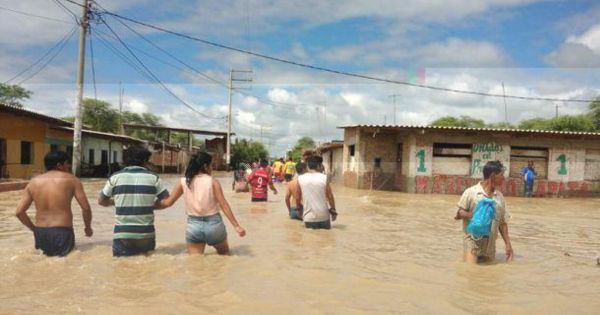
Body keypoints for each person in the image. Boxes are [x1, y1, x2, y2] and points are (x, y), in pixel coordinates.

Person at [156, 152, 246, 255]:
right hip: (214, 226)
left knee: (195, 264)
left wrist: (149, 206)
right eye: (211, 165)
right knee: (225, 256)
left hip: (194, 226)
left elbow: (168, 203)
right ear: (205, 166)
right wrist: (236, 226)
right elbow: (223, 204)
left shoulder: (183, 182)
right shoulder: (213, 182)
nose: (212, 168)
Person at [15, 151, 93, 257]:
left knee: (43, 266)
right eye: (67, 163)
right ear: (59, 165)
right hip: (62, 232)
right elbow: (86, 208)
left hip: (41, 232)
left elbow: (19, 212)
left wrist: (34, 229)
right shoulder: (72, 180)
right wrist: (88, 228)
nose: (69, 166)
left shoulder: (33, 182)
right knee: (64, 267)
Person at [98, 145, 169, 257]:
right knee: (146, 270)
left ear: (126, 160)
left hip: (122, 234)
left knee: (121, 269)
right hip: (146, 234)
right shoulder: (154, 178)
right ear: (145, 160)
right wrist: (150, 205)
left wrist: (114, 202)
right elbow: (166, 201)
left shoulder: (115, 178)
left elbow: (101, 201)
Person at [454, 160, 513, 264]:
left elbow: (502, 223)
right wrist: (470, 215)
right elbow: (458, 214)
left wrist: (508, 244)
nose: (504, 178)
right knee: (471, 271)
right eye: (501, 175)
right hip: (472, 242)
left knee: (488, 276)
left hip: (490, 245)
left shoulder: (499, 197)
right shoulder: (471, 193)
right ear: (493, 175)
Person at [296, 156, 337, 229]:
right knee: (326, 239)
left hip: (309, 217)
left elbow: (297, 197)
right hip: (324, 216)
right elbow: (330, 196)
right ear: (318, 166)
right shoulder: (324, 177)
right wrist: (333, 211)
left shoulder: (300, 178)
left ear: (307, 166)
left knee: (310, 239)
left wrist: (299, 210)